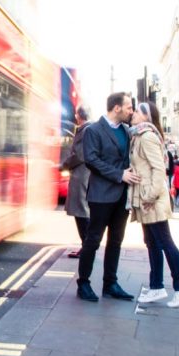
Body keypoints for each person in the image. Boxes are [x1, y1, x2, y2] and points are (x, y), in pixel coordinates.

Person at [75, 92, 141, 303]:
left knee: (116, 241)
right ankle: (83, 284)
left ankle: (110, 283)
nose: (131, 111)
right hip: (101, 195)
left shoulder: (125, 130)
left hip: (122, 195)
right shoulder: (94, 130)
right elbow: (91, 160)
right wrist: (119, 174)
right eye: (129, 107)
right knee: (93, 240)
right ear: (116, 108)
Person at [129, 102, 179, 308]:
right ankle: (156, 286)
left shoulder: (147, 136)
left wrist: (150, 195)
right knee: (152, 242)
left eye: (137, 111)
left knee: (165, 241)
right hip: (146, 198)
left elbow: (159, 169)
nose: (133, 114)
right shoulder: (139, 135)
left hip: (152, 199)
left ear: (146, 116)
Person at [61, 106, 91, 259]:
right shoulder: (87, 129)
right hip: (83, 174)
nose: (75, 117)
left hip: (81, 175)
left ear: (79, 115)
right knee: (81, 211)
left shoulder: (85, 130)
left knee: (81, 212)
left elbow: (79, 154)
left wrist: (64, 165)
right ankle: (86, 247)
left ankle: (87, 248)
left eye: (76, 114)